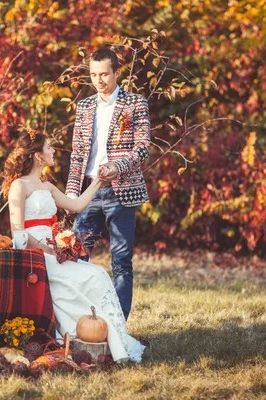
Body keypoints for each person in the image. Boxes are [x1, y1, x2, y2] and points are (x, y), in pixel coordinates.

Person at [1, 130, 145, 363]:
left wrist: (98, 181)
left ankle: (108, 337)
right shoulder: (19, 186)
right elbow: (18, 234)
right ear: (38, 155)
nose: (53, 151)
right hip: (35, 255)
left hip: (53, 250)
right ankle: (86, 334)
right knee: (92, 276)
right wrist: (48, 250)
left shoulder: (46, 186)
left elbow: (77, 205)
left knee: (97, 273)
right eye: (49, 148)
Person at [65, 47, 151, 320]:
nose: (99, 80)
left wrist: (118, 167)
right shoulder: (85, 106)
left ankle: (118, 325)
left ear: (116, 73)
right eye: (93, 74)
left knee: (122, 262)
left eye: (104, 74)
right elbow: (77, 154)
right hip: (88, 191)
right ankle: (78, 322)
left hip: (121, 191)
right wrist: (69, 193)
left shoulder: (135, 103)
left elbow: (142, 148)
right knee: (76, 259)